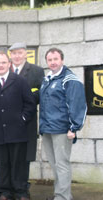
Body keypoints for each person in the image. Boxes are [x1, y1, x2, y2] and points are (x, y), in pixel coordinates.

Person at [0, 52, 36, 200]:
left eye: (4, 62)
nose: (1, 65)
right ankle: (5, 192)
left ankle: (21, 192)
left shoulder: (20, 81)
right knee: (2, 164)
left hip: (18, 131)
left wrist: (22, 119)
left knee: (18, 164)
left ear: (9, 64)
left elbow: (30, 104)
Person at [39, 48, 87, 200]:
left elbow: (78, 105)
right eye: (50, 60)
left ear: (62, 60)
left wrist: (74, 127)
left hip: (62, 130)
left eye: (55, 59)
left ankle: (63, 197)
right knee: (54, 165)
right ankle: (59, 194)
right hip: (47, 129)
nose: (53, 62)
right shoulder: (47, 79)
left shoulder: (70, 79)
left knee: (62, 164)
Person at [8, 42, 45, 196]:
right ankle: (8, 189)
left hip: (26, 120)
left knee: (24, 157)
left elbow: (40, 93)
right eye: (14, 53)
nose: (17, 56)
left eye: (19, 53)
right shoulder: (4, 69)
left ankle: (22, 190)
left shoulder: (36, 71)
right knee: (8, 156)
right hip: (8, 121)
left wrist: (23, 98)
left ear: (25, 54)